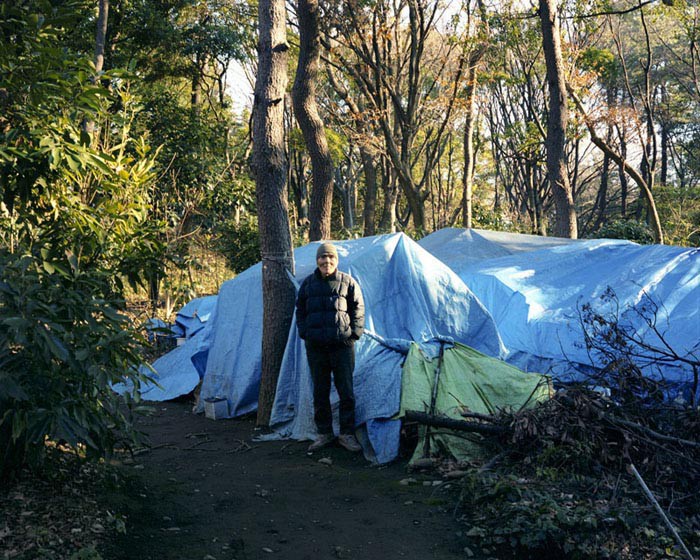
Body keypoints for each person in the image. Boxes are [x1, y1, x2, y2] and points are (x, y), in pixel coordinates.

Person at [296, 242, 365, 453]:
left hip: (342, 347)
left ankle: (346, 434)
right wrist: (306, 333)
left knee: (346, 392)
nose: (327, 262)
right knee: (320, 391)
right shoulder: (308, 285)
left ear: (336, 260)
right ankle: (324, 433)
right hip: (316, 348)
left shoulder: (347, 282)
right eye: (323, 258)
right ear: (317, 261)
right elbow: (300, 311)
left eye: (331, 258)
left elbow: (358, 308)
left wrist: (353, 335)